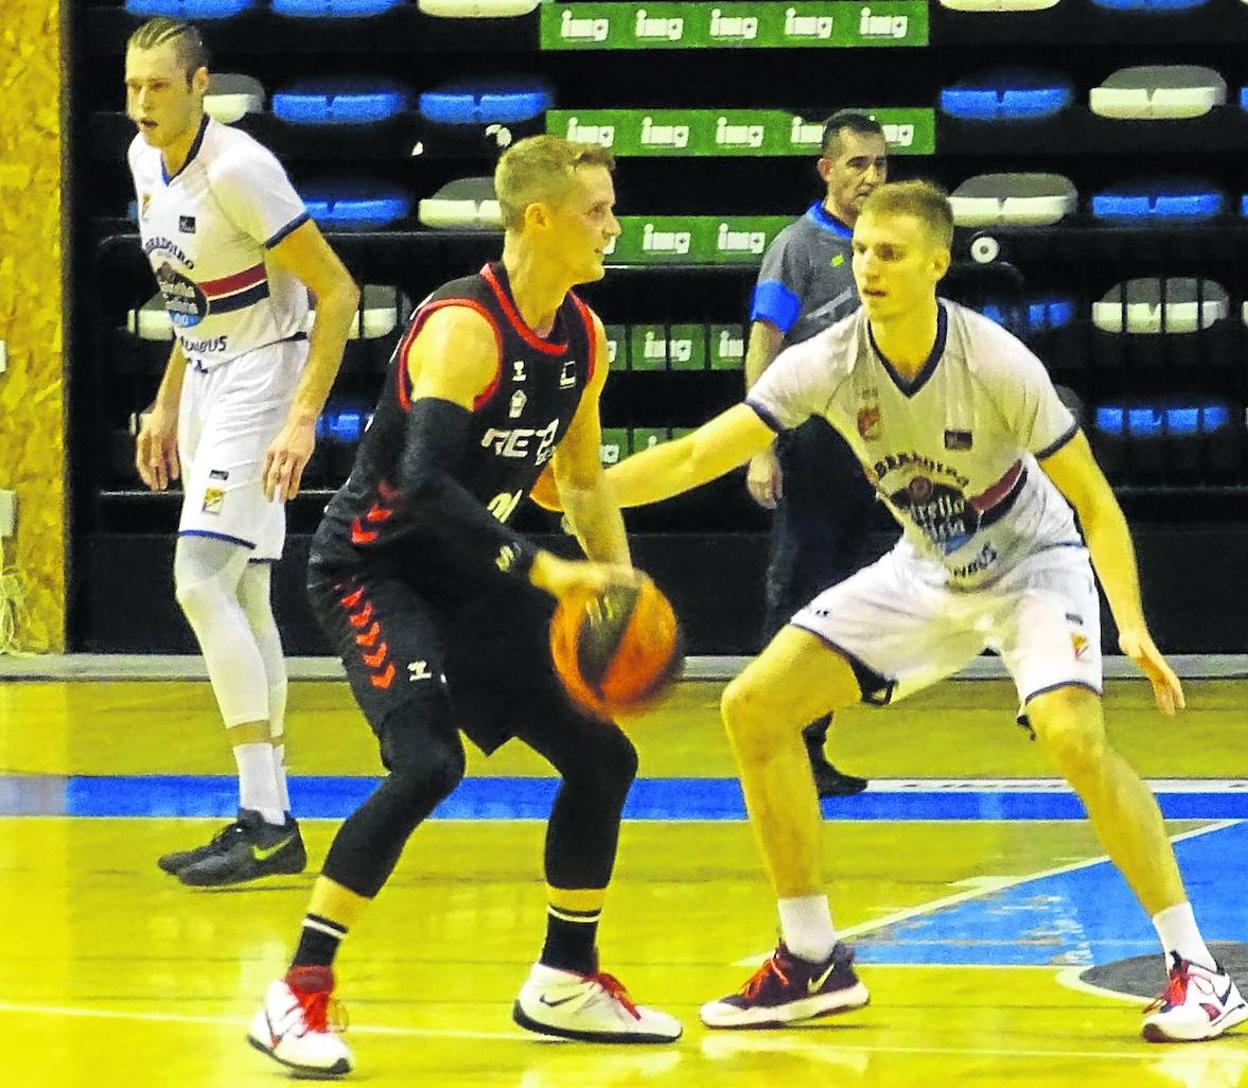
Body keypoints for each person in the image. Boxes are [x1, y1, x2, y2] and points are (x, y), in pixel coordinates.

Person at [588, 180, 1246, 1043]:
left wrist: (1132, 626)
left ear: (937, 263)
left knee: (1073, 738)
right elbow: (698, 455)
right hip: (925, 569)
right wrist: (577, 489)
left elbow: (1096, 505)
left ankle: (1198, 970)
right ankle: (811, 959)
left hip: (1032, 566)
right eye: (860, 249)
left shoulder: (998, 362)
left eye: (890, 253)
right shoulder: (827, 358)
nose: (869, 266)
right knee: (752, 707)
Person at [246, 136, 682, 1077]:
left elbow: (581, 479)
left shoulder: (582, 335)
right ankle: (298, 992)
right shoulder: (464, 330)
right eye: (597, 210)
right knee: (427, 765)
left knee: (604, 757)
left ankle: (565, 980)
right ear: (540, 219)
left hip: (473, 572)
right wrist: (545, 571)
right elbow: (422, 486)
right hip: (375, 566)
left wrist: (619, 588)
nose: (613, 225)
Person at [126, 18, 360, 886]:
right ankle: (269, 819)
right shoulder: (142, 162)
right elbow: (194, 300)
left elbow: (338, 292)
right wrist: (164, 399)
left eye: (158, 86)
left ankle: (265, 815)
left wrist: (302, 419)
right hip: (210, 377)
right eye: (131, 86)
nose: (141, 103)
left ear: (199, 85)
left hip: (267, 375)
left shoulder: (240, 168)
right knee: (245, 587)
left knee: (198, 579)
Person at [744, 111, 888, 797]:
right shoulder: (796, 247)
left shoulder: (886, 246)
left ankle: (815, 745)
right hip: (807, 442)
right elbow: (762, 348)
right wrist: (761, 446)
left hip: (865, 445)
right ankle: (776, 742)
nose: (870, 176)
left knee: (848, 597)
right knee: (799, 591)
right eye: (857, 163)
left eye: (880, 165)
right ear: (827, 169)